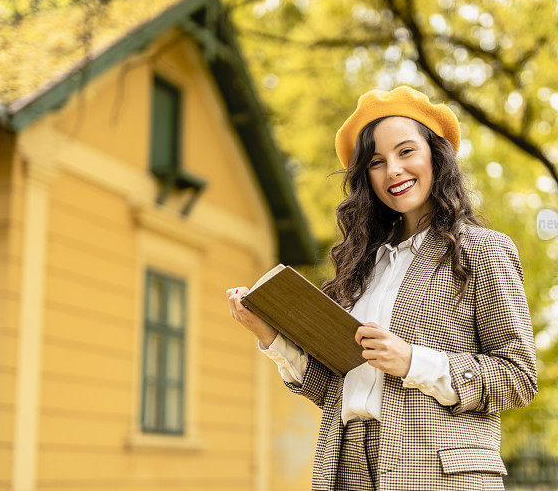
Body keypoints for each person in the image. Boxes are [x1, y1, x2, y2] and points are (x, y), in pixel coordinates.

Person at [226, 85, 537, 490]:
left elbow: (519, 376)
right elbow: (331, 388)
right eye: (376, 162)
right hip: (347, 464)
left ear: (436, 157)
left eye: (406, 152)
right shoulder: (363, 268)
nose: (393, 170)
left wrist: (412, 360)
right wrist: (269, 334)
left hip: (438, 471)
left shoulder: (482, 248)